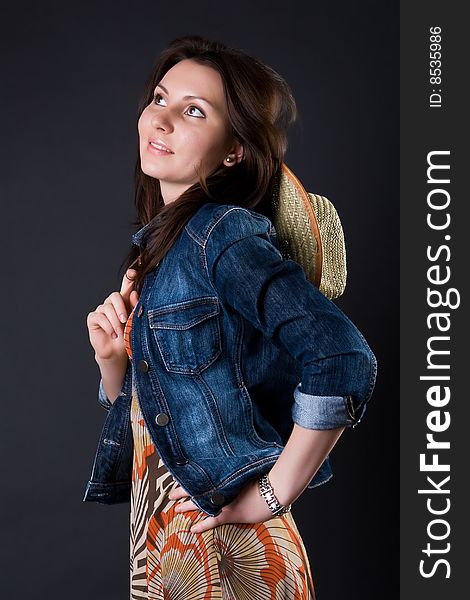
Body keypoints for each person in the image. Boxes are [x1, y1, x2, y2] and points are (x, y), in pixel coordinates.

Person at [83, 34, 377, 599]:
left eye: (193, 111)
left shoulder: (220, 234)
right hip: (165, 544)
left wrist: (274, 493)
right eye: (160, 98)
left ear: (234, 150)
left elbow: (342, 357)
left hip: (223, 552)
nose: (161, 119)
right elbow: (170, 416)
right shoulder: (160, 251)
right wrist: (113, 365)